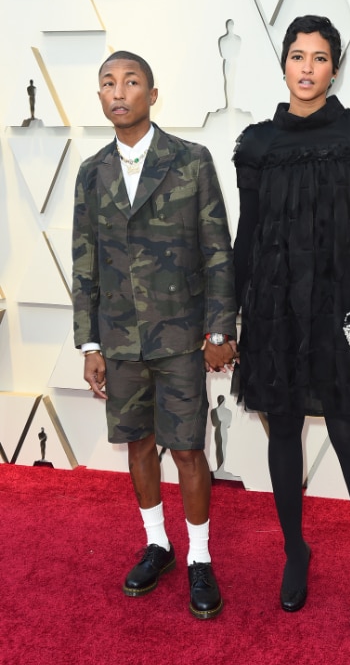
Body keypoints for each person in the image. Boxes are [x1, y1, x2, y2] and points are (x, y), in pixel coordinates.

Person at [232, 15, 350, 631]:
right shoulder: (257, 144)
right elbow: (245, 236)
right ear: (282, 63)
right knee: (282, 429)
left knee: (347, 433)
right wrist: (226, 318)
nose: (307, 68)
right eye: (297, 56)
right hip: (274, 305)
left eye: (320, 58)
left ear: (336, 67)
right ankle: (295, 553)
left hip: (341, 305)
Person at [72, 50, 238, 620]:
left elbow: (218, 250)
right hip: (119, 340)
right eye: (108, 83)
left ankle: (199, 557)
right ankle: (158, 545)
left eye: (131, 81)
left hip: (181, 336)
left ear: (152, 93)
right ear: (100, 97)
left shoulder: (191, 161)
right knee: (139, 444)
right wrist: (89, 343)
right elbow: (85, 262)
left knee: (189, 448)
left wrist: (221, 327)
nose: (119, 91)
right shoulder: (91, 172)